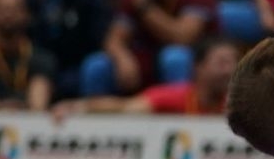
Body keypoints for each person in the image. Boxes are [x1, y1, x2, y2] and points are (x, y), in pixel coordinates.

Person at [59, 36, 240, 115]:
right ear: (198, 67)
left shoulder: (240, 105)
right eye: (221, 63)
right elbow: (125, 108)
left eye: (233, 63)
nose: (229, 70)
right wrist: (78, 107)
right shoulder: (176, 97)